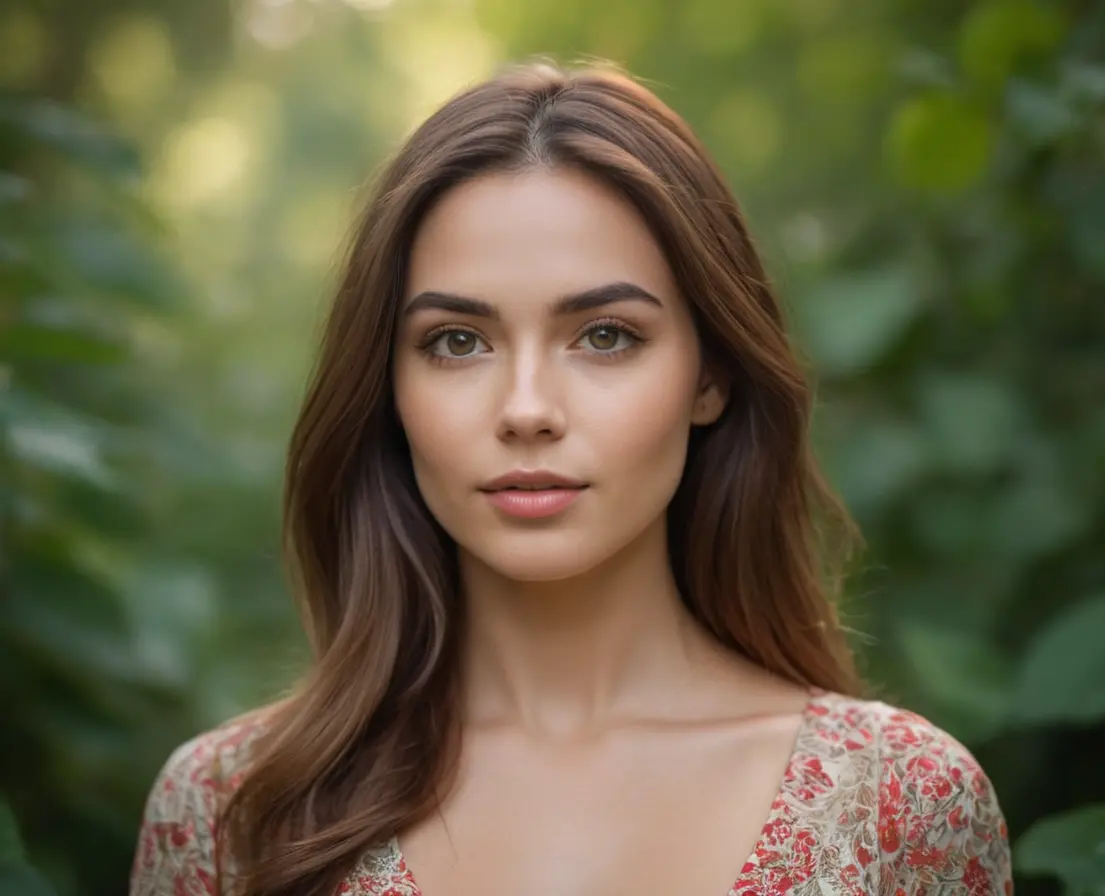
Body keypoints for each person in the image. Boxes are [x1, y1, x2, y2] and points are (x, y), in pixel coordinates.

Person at [129, 61, 1012, 896]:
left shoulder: (901, 806)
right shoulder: (231, 809)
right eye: (457, 342)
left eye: (604, 336)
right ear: (387, 389)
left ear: (710, 376)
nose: (527, 409)